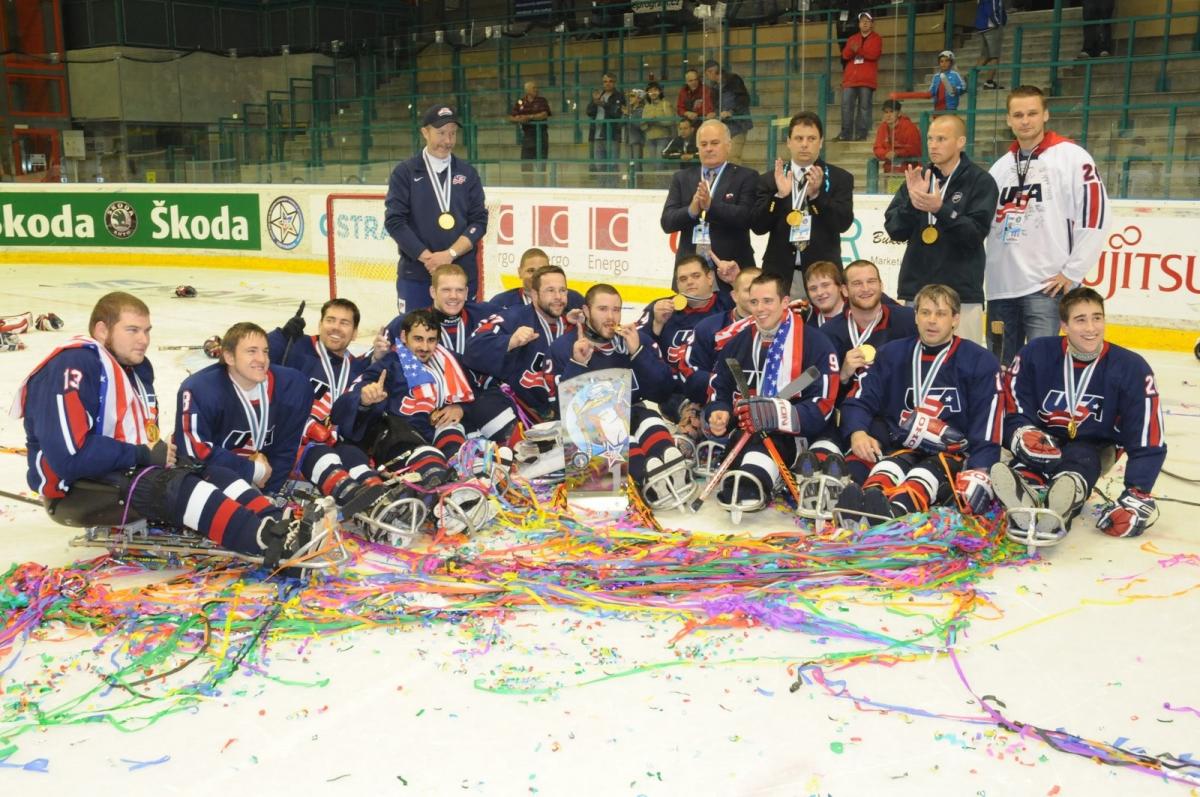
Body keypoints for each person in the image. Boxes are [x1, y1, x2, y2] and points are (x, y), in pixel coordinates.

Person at [13, 292, 312, 566]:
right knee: (175, 487)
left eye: (147, 331)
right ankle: (265, 538)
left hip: (117, 472)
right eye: (132, 330)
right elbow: (70, 457)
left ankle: (277, 519)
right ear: (103, 331)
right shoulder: (73, 365)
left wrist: (154, 453)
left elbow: (142, 436)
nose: (143, 340)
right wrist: (143, 454)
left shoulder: (135, 369)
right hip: (74, 491)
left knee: (207, 470)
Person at [991, 287, 1165, 540]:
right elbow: (1012, 402)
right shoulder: (1036, 353)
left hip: (1095, 447)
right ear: (1064, 325)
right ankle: (1027, 489)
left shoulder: (1131, 367)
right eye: (1080, 320)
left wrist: (1137, 492)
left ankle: (1062, 503)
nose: (1091, 328)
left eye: (1097, 318)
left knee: (1079, 463)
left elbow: (1147, 433)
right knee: (1030, 459)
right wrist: (1021, 432)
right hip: (1042, 440)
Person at [176, 322, 389, 516]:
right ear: (229, 357)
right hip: (218, 473)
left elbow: (285, 448)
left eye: (265, 351)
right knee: (231, 490)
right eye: (252, 352)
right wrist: (252, 471)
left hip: (266, 470)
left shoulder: (292, 385)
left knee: (319, 452)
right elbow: (196, 454)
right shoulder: (200, 389)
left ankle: (359, 494)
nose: (262, 359)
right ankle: (270, 522)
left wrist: (271, 490)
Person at [836, 284, 1003, 522]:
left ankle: (893, 513)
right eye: (925, 312)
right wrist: (857, 431)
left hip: (951, 453)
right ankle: (863, 503)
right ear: (915, 316)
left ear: (955, 319)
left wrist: (980, 469)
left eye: (941, 314)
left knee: (923, 474)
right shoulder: (891, 354)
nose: (931, 321)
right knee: (888, 468)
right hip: (900, 446)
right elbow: (860, 398)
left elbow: (988, 424)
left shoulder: (980, 361)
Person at [984, 86, 1108, 364]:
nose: (1025, 120)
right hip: (1000, 288)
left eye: (1032, 113)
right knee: (1000, 368)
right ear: (1008, 120)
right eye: (1018, 114)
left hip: (1046, 287)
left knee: (1041, 367)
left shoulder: (1073, 157)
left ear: (1046, 115)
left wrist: (1072, 271)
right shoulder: (1000, 167)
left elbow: (1096, 215)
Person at [702, 273, 840, 514]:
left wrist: (775, 414)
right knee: (742, 444)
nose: (760, 309)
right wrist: (719, 411)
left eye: (767, 301)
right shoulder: (737, 342)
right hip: (747, 430)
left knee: (762, 450)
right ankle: (751, 476)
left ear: (784, 302)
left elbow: (823, 404)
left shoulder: (817, 343)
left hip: (795, 435)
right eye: (754, 302)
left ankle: (757, 478)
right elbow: (719, 386)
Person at [551, 284, 694, 511]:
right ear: (586, 311)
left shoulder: (635, 339)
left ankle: (669, 462)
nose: (611, 317)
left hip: (632, 411)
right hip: (594, 427)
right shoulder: (564, 347)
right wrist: (577, 364)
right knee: (617, 432)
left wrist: (638, 353)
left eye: (616, 310)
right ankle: (647, 473)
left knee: (648, 417)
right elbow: (564, 412)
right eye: (603, 309)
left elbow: (664, 390)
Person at [885, 114, 998, 346]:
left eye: (941, 139)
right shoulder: (918, 178)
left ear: (960, 142)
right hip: (917, 291)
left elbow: (974, 235)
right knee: (915, 366)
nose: (933, 145)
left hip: (961, 295)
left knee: (965, 366)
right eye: (930, 139)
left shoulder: (980, 181)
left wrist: (940, 209)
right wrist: (912, 203)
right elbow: (894, 230)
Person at [380, 264, 522, 446]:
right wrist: (377, 356)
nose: (453, 296)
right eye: (446, 290)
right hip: (428, 404)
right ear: (432, 291)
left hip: (478, 399)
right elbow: (375, 368)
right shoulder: (407, 323)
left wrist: (462, 407)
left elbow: (525, 314)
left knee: (500, 420)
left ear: (467, 291)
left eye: (459, 290)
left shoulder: (486, 315)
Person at [336, 309, 473, 476]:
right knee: (431, 466)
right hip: (401, 438)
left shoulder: (448, 362)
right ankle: (438, 477)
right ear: (403, 337)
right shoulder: (390, 363)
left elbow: (476, 393)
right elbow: (352, 396)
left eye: (431, 340)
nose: (424, 347)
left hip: (436, 432)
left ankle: (466, 473)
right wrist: (364, 399)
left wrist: (460, 408)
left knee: (458, 439)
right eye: (418, 339)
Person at [384, 104, 488, 314]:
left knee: (463, 340)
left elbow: (479, 221)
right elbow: (395, 222)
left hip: (462, 277)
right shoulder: (405, 173)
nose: (448, 141)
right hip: (418, 276)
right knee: (415, 338)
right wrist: (429, 259)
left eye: (453, 133)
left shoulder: (468, 173)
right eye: (441, 133)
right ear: (425, 132)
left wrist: (449, 254)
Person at [752, 111, 854, 297]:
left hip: (823, 277)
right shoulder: (770, 179)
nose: (805, 144)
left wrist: (817, 196)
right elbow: (758, 226)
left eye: (811, 138)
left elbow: (843, 223)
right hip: (780, 275)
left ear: (821, 142)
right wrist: (779, 196)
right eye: (799, 138)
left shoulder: (840, 178)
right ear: (789, 142)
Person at [464, 264, 576, 424]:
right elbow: (472, 348)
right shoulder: (512, 318)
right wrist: (510, 341)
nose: (558, 296)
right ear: (534, 295)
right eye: (550, 290)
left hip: (566, 414)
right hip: (521, 413)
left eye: (562, 290)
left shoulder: (574, 326)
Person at [660, 120, 759, 281]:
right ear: (697, 147)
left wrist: (711, 206)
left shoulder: (746, 176)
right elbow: (667, 223)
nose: (709, 148)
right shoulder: (681, 178)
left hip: (731, 272)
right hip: (689, 274)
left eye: (715, 143)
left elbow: (746, 217)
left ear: (729, 145)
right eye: (703, 144)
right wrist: (691, 210)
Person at [819, 260, 917, 403]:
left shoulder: (909, 320)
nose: (865, 288)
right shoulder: (827, 334)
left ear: (881, 285)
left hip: (900, 410)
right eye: (857, 283)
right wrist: (843, 376)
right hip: (852, 412)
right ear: (845, 290)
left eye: (871, 281)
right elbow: (821, 394)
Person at [637, 254, 734, 380]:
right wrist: (657, 324)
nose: (689, 282)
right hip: (671, 391)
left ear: (710, 277)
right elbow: (638, 350)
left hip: (713, 389)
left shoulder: (729, 305)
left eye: (696, 276)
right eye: (683, 279)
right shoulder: (659, 308)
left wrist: (735, 280)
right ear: (677, 284)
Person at [268, 298, 367, 372]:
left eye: (344, 323)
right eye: (330, 320)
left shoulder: (356, 370)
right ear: (320, 325)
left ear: (354, 333)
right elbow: (258, 357)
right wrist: (282, 336)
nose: (336, 327)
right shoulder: (296, 345)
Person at [489, 248, 585, 311]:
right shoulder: (501, 303)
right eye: (531, 270)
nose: (536, 276)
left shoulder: (573, 299)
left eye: (542, 270)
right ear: (520, 272)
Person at [837, 12, 883, 142]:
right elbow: (845, 55)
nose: (865, 22)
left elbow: (873, 54)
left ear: (872, 24)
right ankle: (845, 133)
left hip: (866, 80)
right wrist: (853, 50)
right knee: (846, 106)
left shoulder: (877, 38)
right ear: (859, 24)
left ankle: (861, 133)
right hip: (850, 79)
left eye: (868, 20)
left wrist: (858, 50)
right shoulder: (852, 38)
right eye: (862, 20)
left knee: (864, 107)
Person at [704, 59, 753, 164]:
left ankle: (737, 180)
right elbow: (717, 106)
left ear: (711, 71)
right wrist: (715, 114)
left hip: (738, 124)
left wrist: (732, 112)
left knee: (733, 157)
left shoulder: (733, 80)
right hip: (725, 127)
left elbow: (743, 99)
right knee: (725, 158)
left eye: (708, 73)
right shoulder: (714, 87)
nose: (708, 76)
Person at [586, 73, 626, 185]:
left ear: (614, 82)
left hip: (612, 135)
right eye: (605, 81)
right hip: (597, 135)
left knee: (612, 164)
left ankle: (613, 188)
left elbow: (616, 113)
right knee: (599, 165)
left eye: (610, 81)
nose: (607, 83)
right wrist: (595, 102)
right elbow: (589, 112)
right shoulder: (598, 95)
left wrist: (603, 104)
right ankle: (602, 188)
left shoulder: (619, 96)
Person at [509, 81, 552, 184]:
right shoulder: (520, 102)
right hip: (527, 135)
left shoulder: (542, 101)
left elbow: (544, 114)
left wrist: (529, 117)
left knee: (542, 164)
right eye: (534, 88)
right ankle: (528, 187)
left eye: (536, 88)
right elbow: (511, 117)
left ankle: (542, 187)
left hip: (541, 134)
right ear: (527, 90)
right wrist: (519, 119)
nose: (536, 89)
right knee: (526, 164)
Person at [873, 100, 922, 178]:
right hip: (890, 171)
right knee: (891, 190)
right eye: (886, 112)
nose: (888, 115)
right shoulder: (882, 127)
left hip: (909, 171)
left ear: (899, 113)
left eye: (892, 112)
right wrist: (886, 153)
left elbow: (914, 149)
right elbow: (877, 148)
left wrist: (897, 153)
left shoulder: (909, 127)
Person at [640, 82, 675, 166]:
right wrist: (648, 123)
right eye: (650, 91)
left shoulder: (665, 104)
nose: (653, 93)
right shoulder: (646, 107)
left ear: (660, 92)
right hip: (650, 138)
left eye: (655, 90)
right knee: (654, 164)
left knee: (660, 163)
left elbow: (671, 121)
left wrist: (658, 122)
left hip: (663, 137)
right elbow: (642, 125)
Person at [976, 0, 1007, 89]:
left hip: (983, 26)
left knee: (985, 56)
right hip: (991, 26)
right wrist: (998, 23)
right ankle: (989, 82)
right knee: (995, 56)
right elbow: (992, 9)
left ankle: (969, 79)